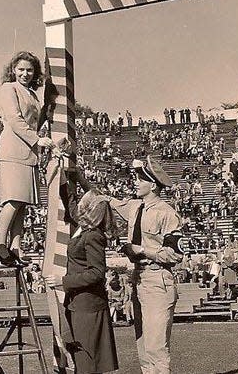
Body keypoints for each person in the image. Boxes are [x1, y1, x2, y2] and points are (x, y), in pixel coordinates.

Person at [111, 155, 182, 374]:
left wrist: (142, 250)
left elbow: (175, 254)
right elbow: (106, 200)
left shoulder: (167, 213)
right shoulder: (134, 207)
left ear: (153, 185)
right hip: (139, 279)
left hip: (158, 280)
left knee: (156, 348)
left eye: (140, 179)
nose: (135, 182)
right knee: (143, 347)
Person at [45, 189, 119, 374]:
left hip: (88, 306)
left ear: (89, 209)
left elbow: (97, 273)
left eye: (82, 203)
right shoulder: (84, 229)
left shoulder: (93, 235)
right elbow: (70, 204)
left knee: (87, 361)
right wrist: (63, 180)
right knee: (80, 358)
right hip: (78, 303)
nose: (78, 205)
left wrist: (63, 281)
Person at [0, 51, 56, 266]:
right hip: (13, 149)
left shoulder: (32, 94)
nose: (25, 73)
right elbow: (14, 119)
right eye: (21, 69)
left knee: (22, 202)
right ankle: (0, 243)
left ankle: (16, 246)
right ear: (13, 70)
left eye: (29, 70)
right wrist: (36, 139)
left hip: (29, 152)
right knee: (13, 199)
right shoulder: (8, 88)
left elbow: (34, 122)